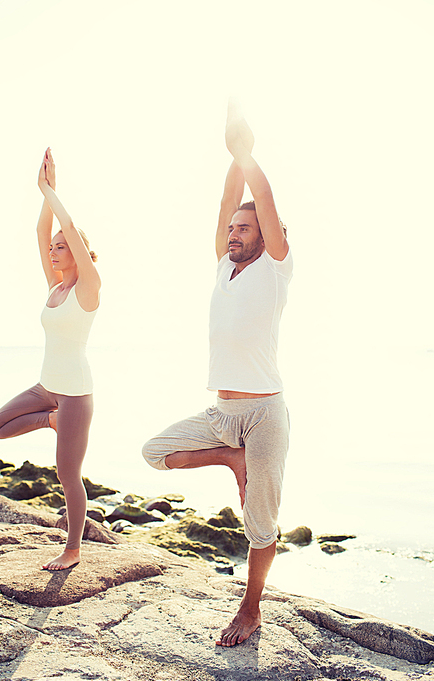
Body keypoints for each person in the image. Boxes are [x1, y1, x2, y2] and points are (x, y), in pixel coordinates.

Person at [142, 103, 293, 646]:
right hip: (222, 415)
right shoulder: (223, 266)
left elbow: (263, 202)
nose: (233, 232)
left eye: (243, 228)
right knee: (156, 453)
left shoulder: (276, 266)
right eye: (231, 227)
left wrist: (249, 156)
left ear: (267, 234)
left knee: (261, 524)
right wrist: (233, 155)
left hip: (264, 415)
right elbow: (229, 200)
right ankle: (230, 459)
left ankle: (250, 609)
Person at [0, 148, 101, 571]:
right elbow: (43, 231)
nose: (53, 251)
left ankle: (73, 549)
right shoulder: (53, 287)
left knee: (67, 475)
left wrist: (49, 189)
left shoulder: (87, 287)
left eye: (61, 247)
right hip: (46, 389)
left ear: (77, 252)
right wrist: (44, 194)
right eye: (53, 248)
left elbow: (66, 227)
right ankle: (49, 422)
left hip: (75, 394)